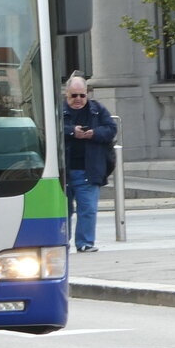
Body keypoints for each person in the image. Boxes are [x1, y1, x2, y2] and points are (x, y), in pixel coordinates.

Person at [63, 76, 116, 252]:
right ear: (66, 94)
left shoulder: (97, 110)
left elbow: (111, 129)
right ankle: (61, 243)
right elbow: (48, 130)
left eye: (82, 95)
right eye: (74, 95)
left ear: (87, 94)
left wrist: (93, 133)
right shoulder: (58, 110)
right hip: (63, 171)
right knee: (63, 211)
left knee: (88, 209)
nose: (78, 99)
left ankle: (85, 243)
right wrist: (72, 132)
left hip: (89, 170)